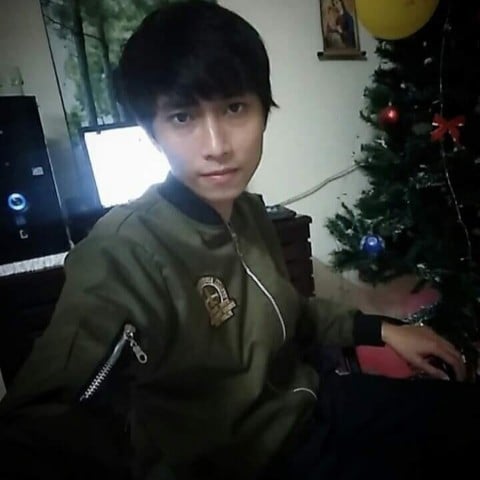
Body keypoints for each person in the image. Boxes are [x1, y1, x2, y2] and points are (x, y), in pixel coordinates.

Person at [0, 2, 478, 479]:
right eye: (182, 117)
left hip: (315, 402)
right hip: (254, 462)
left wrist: (383, 330)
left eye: (234, 108)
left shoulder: (248, 211)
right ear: (151, 132)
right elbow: (46, 420)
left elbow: (292, 310)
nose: (217, 147)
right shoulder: (124, 250)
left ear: (263, 111)